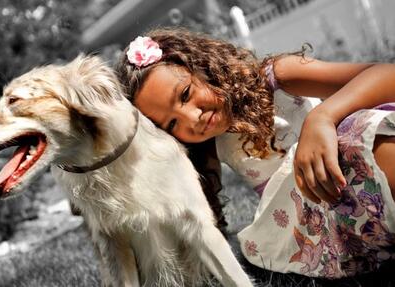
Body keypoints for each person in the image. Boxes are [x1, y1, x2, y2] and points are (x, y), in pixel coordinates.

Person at [115, 27, 395, 278]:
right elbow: (201, 219)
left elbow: (385, 75)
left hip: (346, 171)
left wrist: (322, 117)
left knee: (357, 141)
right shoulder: (206, 148)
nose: (192, 118)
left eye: (186, 94)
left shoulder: (276, 77)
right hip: (317, 222)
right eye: (172, 124)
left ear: (200, 66)